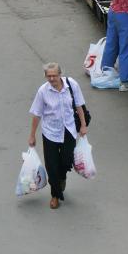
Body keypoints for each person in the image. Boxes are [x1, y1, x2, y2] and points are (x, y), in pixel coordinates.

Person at [28, 62, 87, 209]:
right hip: (50, 132)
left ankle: (62, 178)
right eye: (49, 76)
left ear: (60, 74)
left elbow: (79, 105)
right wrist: (32, 135)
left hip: (69, 130)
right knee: (52, 166)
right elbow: (36, 114)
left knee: (67, 161)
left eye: (54, 75)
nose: (52, 79)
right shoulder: (43, 91)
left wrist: (83, 125)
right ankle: (55, 195)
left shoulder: (71, 85)